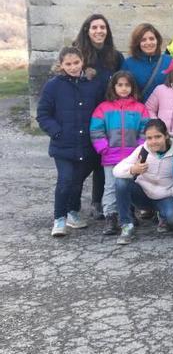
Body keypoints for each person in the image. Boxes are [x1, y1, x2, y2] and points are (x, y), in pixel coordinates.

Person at [37, 47, 104, 237]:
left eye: (76, 63)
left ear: (82, 61)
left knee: (77, 181)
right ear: (61, 65)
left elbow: (101, 110)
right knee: (65, 180)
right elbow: (43, 114)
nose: (73, 67)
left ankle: (73, 212)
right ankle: (59, 219)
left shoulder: (93, 84)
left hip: (87, 144)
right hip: (63, 145)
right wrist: (57, 132)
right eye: (68, 64)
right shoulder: (53, 86)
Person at [73, 14, 124, 219]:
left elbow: (121, 81)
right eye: (94, 27)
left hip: (108, 114)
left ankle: (98, 201)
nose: (99, 31)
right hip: (84, 113)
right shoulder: (78, 54)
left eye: (103, 27)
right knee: (82, 163)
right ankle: (70, 206)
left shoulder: (115, 56)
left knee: (104, 161)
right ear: (87, 30)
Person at [89, 70, 150, 236]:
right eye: (120, 85)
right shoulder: (103, 108)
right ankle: (111, 216)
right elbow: (96, 130)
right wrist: (103, 148)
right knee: (110, 186)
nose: (123, 89)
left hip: (132, 158)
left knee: (129, 186)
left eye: (127, 85)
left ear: (132, 87)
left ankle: (128, 213)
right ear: (113, 87)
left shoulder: (140, 108)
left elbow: (145, 130)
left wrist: (140, 151)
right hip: (110, 156)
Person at [112, 119, 173, 245]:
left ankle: (162, 216)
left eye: (157, 137)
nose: (153, 142)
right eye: (149, 138)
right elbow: (116, 170)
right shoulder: (142, 150)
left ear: (166, 135)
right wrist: (133, 169)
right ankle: (126, 225)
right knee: (120, 182)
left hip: (166, 196)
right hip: (143, 195)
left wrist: (172, 191)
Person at [122, 23, 173, 101]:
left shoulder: (169, 61)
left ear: (157, 40)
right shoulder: (128, 64)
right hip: (138, 111)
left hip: (163, 111)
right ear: (137, 43)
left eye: (152, 39)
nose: (148, 43)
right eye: (143, 40)